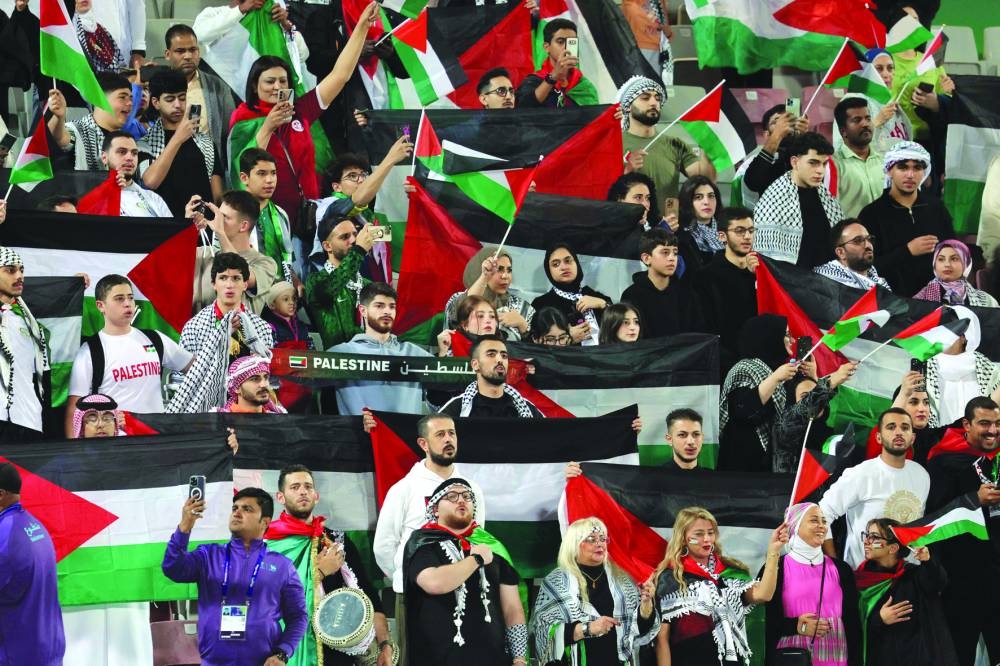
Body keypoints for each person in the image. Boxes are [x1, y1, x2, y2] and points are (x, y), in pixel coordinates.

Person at [227, 2, 378, 235]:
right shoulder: (243, 118)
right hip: (267, 225)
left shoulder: (300, 110)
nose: (277, 87)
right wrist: (268, 127)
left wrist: (361, 29)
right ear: (255, 87)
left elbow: (340, 75)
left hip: (307, 219)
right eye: (269, 81)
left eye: (283, 81)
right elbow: (241, 168)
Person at [372, 414, 486, 665]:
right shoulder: (404, 489)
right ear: (423, 444)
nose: (448, 439)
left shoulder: (472, 489)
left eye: (452, 433)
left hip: (461, 592)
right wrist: (409, 578)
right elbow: (384, 545)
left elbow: (475, 537)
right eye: (440, 434)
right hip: (414, 597)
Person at [265, 465, 395, 666]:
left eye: (308, 487)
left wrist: (384, 643)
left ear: (316, 495)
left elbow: (366, 595)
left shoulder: (337, 541)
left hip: (337, 653)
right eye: (295, 487)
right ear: (280, 497)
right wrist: (320, 572)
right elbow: (265, 598)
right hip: (285, 651)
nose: (302, 491)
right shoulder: (268, 545)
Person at [162, 486, 308, 666]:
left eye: (247, 509)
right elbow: (172, 568)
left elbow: (298, 617)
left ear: (265, 522)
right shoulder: (208, 556)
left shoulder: (282, 566)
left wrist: (282, 653)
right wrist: (185, 525)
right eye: (235, 508)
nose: (237, 513)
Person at [403, 478, 527, 666]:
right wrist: (476, 559)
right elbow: (434, 583)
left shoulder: (494, 547)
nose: (461, 500)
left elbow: (512, 608)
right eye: (451, 496)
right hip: (437, 658)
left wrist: (519, 658)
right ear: (435, 509)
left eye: (467, 496)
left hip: (492, 658)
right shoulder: (422, 544)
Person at [656, 507, 787, 665]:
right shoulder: (670, 578)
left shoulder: (730, 572)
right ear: (683, 538)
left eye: (710, 533)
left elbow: (763, 594)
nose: (707, 539)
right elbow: (662, 638)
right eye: (699, 534)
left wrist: (774, 551)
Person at [924, 396, 1000, 666]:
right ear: (966, 425)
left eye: (997, 423)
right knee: (960, 654)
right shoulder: (944, 462)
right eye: (984, 423)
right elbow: (935, 517)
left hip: (998, 576)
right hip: (962, 580)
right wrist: (973, 500)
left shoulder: (999, 459)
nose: (993, 430)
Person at [66, 274, 193, 433]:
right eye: (119, 298)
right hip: (116, 446)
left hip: (157, 441)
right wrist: (76, 454)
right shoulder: (90, 351)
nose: (127, 304)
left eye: (130, 297)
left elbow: (200, 369)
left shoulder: (155, 338)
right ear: (100, 306)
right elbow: (74, 409)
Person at [532, 517, 659, 664]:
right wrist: (588, 629)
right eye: (591, 539)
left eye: (603, 539)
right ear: (574, 544)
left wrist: (646, 603)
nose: (599, 544)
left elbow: (640, 629)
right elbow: (543, 632)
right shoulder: (556, 581)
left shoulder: (623, 580)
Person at [819, 408, 929, 568]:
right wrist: (833, 564)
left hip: (906, 579)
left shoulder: (921, 475)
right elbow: (823, 513)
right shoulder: (861, 474)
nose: (898, 432)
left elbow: (918, 526)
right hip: (863, 580)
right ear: (878, 437)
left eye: (904, 427)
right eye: (891, 427)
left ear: (912, 438)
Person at [171, 253, 274, 413]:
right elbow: (180, 379)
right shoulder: (194, 327)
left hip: (250, 414)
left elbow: (268, 376)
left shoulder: (262, 328)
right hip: (205, 413)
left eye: (236, 278)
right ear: (213, 283)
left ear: (245, 284)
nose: (229, 285)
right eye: (223, 278)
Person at [764, 502, 862, 666]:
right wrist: (796, 626)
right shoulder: (776, 568)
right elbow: (764, 621)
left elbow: (853, 623)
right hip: (791, 658)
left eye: (824, 521)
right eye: (814, 520)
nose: (822, 526)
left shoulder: (842, 570)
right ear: (795, 526)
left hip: (837, 658)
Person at [854, 517, 958, 666]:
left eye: (874, 537)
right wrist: (879, 619)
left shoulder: (912, 576)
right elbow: (853, 626)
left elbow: (937, 582)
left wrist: (928, 561)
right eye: (867, 535)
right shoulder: (859, 580)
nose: (866, 541)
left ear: (893, 548)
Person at [717, 315, 812, 473]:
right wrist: (774, 379)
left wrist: (812, 377)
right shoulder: (743, 368)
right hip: (741, 471)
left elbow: (807, 415)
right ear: (770, 338)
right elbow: (742, 410)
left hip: (776, 471)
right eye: (787, 334)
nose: (793, 340)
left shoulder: (786, 373)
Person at [860, 141, 955, 296]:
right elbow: (866, 268)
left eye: (917, 168)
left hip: (937, 299)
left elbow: (953, 250)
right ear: (889, 170)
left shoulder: (936, 208)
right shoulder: (871, 214)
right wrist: (907, 251)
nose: (910, 175)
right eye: (903, 167)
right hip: (891, 302)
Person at [329, 282, 434, 415]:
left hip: (406, 434)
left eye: (392, 306)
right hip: (361, 433)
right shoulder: (342, 353)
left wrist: (443, 353)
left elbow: (446, 382)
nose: (387, 311)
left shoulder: (413, 353)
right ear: (363, 311)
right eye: (379, 306)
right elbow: (303, 377)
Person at [311, 142, 411, 280]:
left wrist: (410, 198)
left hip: (368, 285)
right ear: (337, 187)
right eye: (352, 176)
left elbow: (388, 236)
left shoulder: (365, 215)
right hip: (339, 288)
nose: (361, 180)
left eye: (363, 174)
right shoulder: (331, 209)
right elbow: (357, 200)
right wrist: (390, 159)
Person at [0, 462, 66, 666]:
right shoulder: (34, 525)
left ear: (1, 494)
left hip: (18, 654)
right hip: (46, 650)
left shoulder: (4, 535)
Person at [619, 75, 716, 211]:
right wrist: (628, 170)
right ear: (628, 106)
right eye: (645, 98)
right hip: (629, 226)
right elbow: (603, 190)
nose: (654, 103)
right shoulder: (614, 143)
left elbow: (705, 180)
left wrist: (706, 154)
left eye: (657, 98)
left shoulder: (675, 144)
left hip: (668, 228)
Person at [139, 68, 224, 217]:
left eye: (182, 98)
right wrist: (178, 137)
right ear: (156, 102)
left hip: (206, 229)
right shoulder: (144, 144)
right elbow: (150, 182)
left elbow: (217, 196)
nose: (178, 105)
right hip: (168, 228)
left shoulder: (205, 143)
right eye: (170, 99)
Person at [754, 132, 844, 268]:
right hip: (791, 282)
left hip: (829, 280)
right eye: (813, 163)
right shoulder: (774, 200)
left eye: (824, 164)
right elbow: (769, 260)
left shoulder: (826, 198)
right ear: (795, 162)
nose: (820, 170)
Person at [189, 189, 279, 314]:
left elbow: (241, 273)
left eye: (224, 217)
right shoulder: (204, 253)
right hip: (196, 331)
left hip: (237, 332)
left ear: (243, 226)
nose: (217, 220)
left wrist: (220, 232)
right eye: (218, 215)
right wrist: (187, 231)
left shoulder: (265, 264)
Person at [694, 207, 759, 378]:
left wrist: (758, 278)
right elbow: (705, 328)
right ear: (722, 236)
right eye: (739, 231)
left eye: (751, 231)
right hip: (724, 366)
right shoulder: (705, 277)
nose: (747, 236)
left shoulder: (761, 274)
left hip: (760, 363)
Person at [162, 23, 237, 155]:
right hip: (167, 163)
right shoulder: (156, 85)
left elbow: (230, 131)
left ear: (199, 51)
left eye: (192, 50)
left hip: (210, 165)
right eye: (180, 51)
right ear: (168, 54)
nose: (188, 56)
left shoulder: (218, 86)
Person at [305, 211, 374, 349]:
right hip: (337, 364)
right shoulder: (315, 281)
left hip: (370, 362)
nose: (353, 240)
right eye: (344, 237)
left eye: (355, 234)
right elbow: (329, 291)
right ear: (327, 246)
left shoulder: (368, 285)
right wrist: (359, 251)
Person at [0, 247, 49, 441]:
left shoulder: (29, 323)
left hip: (29, 422)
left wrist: (77, 283)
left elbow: (41, 374)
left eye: (22, 270)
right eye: (10, 270)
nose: (19, 276)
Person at [621, 228, 705, 338]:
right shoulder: (632, 296)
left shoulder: (687, 293)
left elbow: (698, 336)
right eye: (665, 252)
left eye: (675, 253)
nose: (672, 258)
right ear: (646, 258)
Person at [923, 306, 1000, 427]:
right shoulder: (924, 370)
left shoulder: (990, 371)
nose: (943, 337)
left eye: (950, 331)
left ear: (964, 337)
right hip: (940, 441)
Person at [439, 334, 544, 418]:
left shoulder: (525, 407)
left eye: (504, 356)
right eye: (491, 354)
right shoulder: (457, 407)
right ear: (475, 365)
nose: (500, 360)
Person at [47, 72, 134, 170]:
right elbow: (59, 137)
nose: (130, 103)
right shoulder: (78, 131)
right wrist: (58, 117)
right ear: (99, 99)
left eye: (131, 98)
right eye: (122, 97)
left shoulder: (127, 140)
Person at [445, 249, 535, 342]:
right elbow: (460, 313)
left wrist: (523, 326)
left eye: (509, 270)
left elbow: (538, 350)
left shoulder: (523, 308)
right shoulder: (457, 299)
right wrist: (485, 276)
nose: (505, 276)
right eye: (498, 269)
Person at [531, 243, 612, 346]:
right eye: (556, 264)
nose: (564, 267)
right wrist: (567, 339)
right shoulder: (541, 304)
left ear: (576, 264)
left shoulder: (598, 297)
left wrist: (604, 305)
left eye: (568, 261)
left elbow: (622, 329)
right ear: (548, 271)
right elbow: (534, 348)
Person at [734, 104, 810, 210]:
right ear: (766, 134)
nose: (785, 126)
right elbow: (753, 183)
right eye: (776, 122)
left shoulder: (804, 155)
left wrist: (804, 139)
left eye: (791, 121)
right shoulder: (752, 162)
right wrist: (777, 135)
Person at [238, 148, 297, 285]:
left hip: (281, 293)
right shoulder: (231, 216)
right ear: (244, 178)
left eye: (273, 173)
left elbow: (287, 259)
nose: (270, 180)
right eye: (261, 174)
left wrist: (295, 280)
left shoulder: (281, 214)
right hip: (250, 292)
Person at [81, 131, 173, 217]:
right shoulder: (91, 197)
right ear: (104, 157)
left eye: (134, 153)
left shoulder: (154, 199)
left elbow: (173, 232)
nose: (130, 157)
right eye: (122, 152)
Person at [516, 18, 597, 108]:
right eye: (560, 42)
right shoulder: (534, 81)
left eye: (572, 42)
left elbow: (596, 118)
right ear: (547, 47)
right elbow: (522, 109)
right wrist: (553, 77)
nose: (566, 47)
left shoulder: (584, 86)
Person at [832, 97, 884, 218]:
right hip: (854, 235)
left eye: (868, 118)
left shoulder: (884, 161)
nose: (865, 124)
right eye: (857, 120)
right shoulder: (833, 165)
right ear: (843, 131)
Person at [913, 239, 998, 307]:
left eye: (954, 259)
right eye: (941, 259)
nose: (947, 264)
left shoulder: (986, 301)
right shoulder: (920, 300)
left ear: (966, 263)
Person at [814, 219, 891, 290]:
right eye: (858, 240)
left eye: (869, 239)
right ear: (841, 252)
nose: (868, 245)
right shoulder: (824, 284)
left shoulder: (878, 282)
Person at [858, 49, 912, 153]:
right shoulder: (854, 103)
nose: (886, 74)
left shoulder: (892, 104)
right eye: (879, 69)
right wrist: (878, 121)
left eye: (890, 68)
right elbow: (847, 148)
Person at [676, 175, 724, 267]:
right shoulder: (681, 234)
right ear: (688, 201)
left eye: (711, 196)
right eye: (698, 197)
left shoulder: (728, 229)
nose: (706, 202)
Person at [218, 355, 286, 413]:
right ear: (237, 388)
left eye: (266, 377)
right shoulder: (219, 422)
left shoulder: (279, 419)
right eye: (254, 379)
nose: (264, 385)